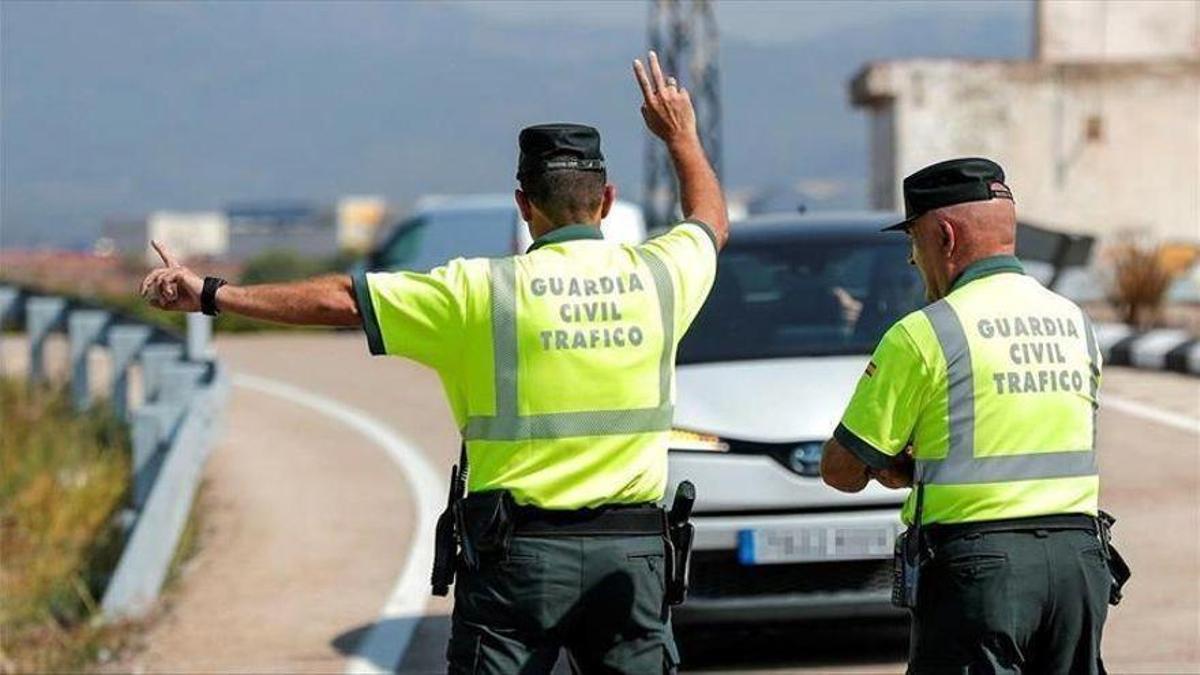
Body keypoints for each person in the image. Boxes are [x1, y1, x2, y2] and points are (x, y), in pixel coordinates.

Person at [140, 51, 728, 674]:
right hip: (631, 558)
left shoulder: (477, 293)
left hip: (517, 562)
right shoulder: (663, 277)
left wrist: (210, 294)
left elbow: (342, 299)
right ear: (606, 200)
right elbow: (709, 223)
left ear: (523, 204)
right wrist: (681, 136)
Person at [820, 158, 1120, 674]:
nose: (914, 260)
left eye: (914, 240)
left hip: (980, 571)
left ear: (945, 236)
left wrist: (901, 468)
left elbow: (841, 470)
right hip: (1078, 565)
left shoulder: (925, 333)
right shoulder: (1077, 323)